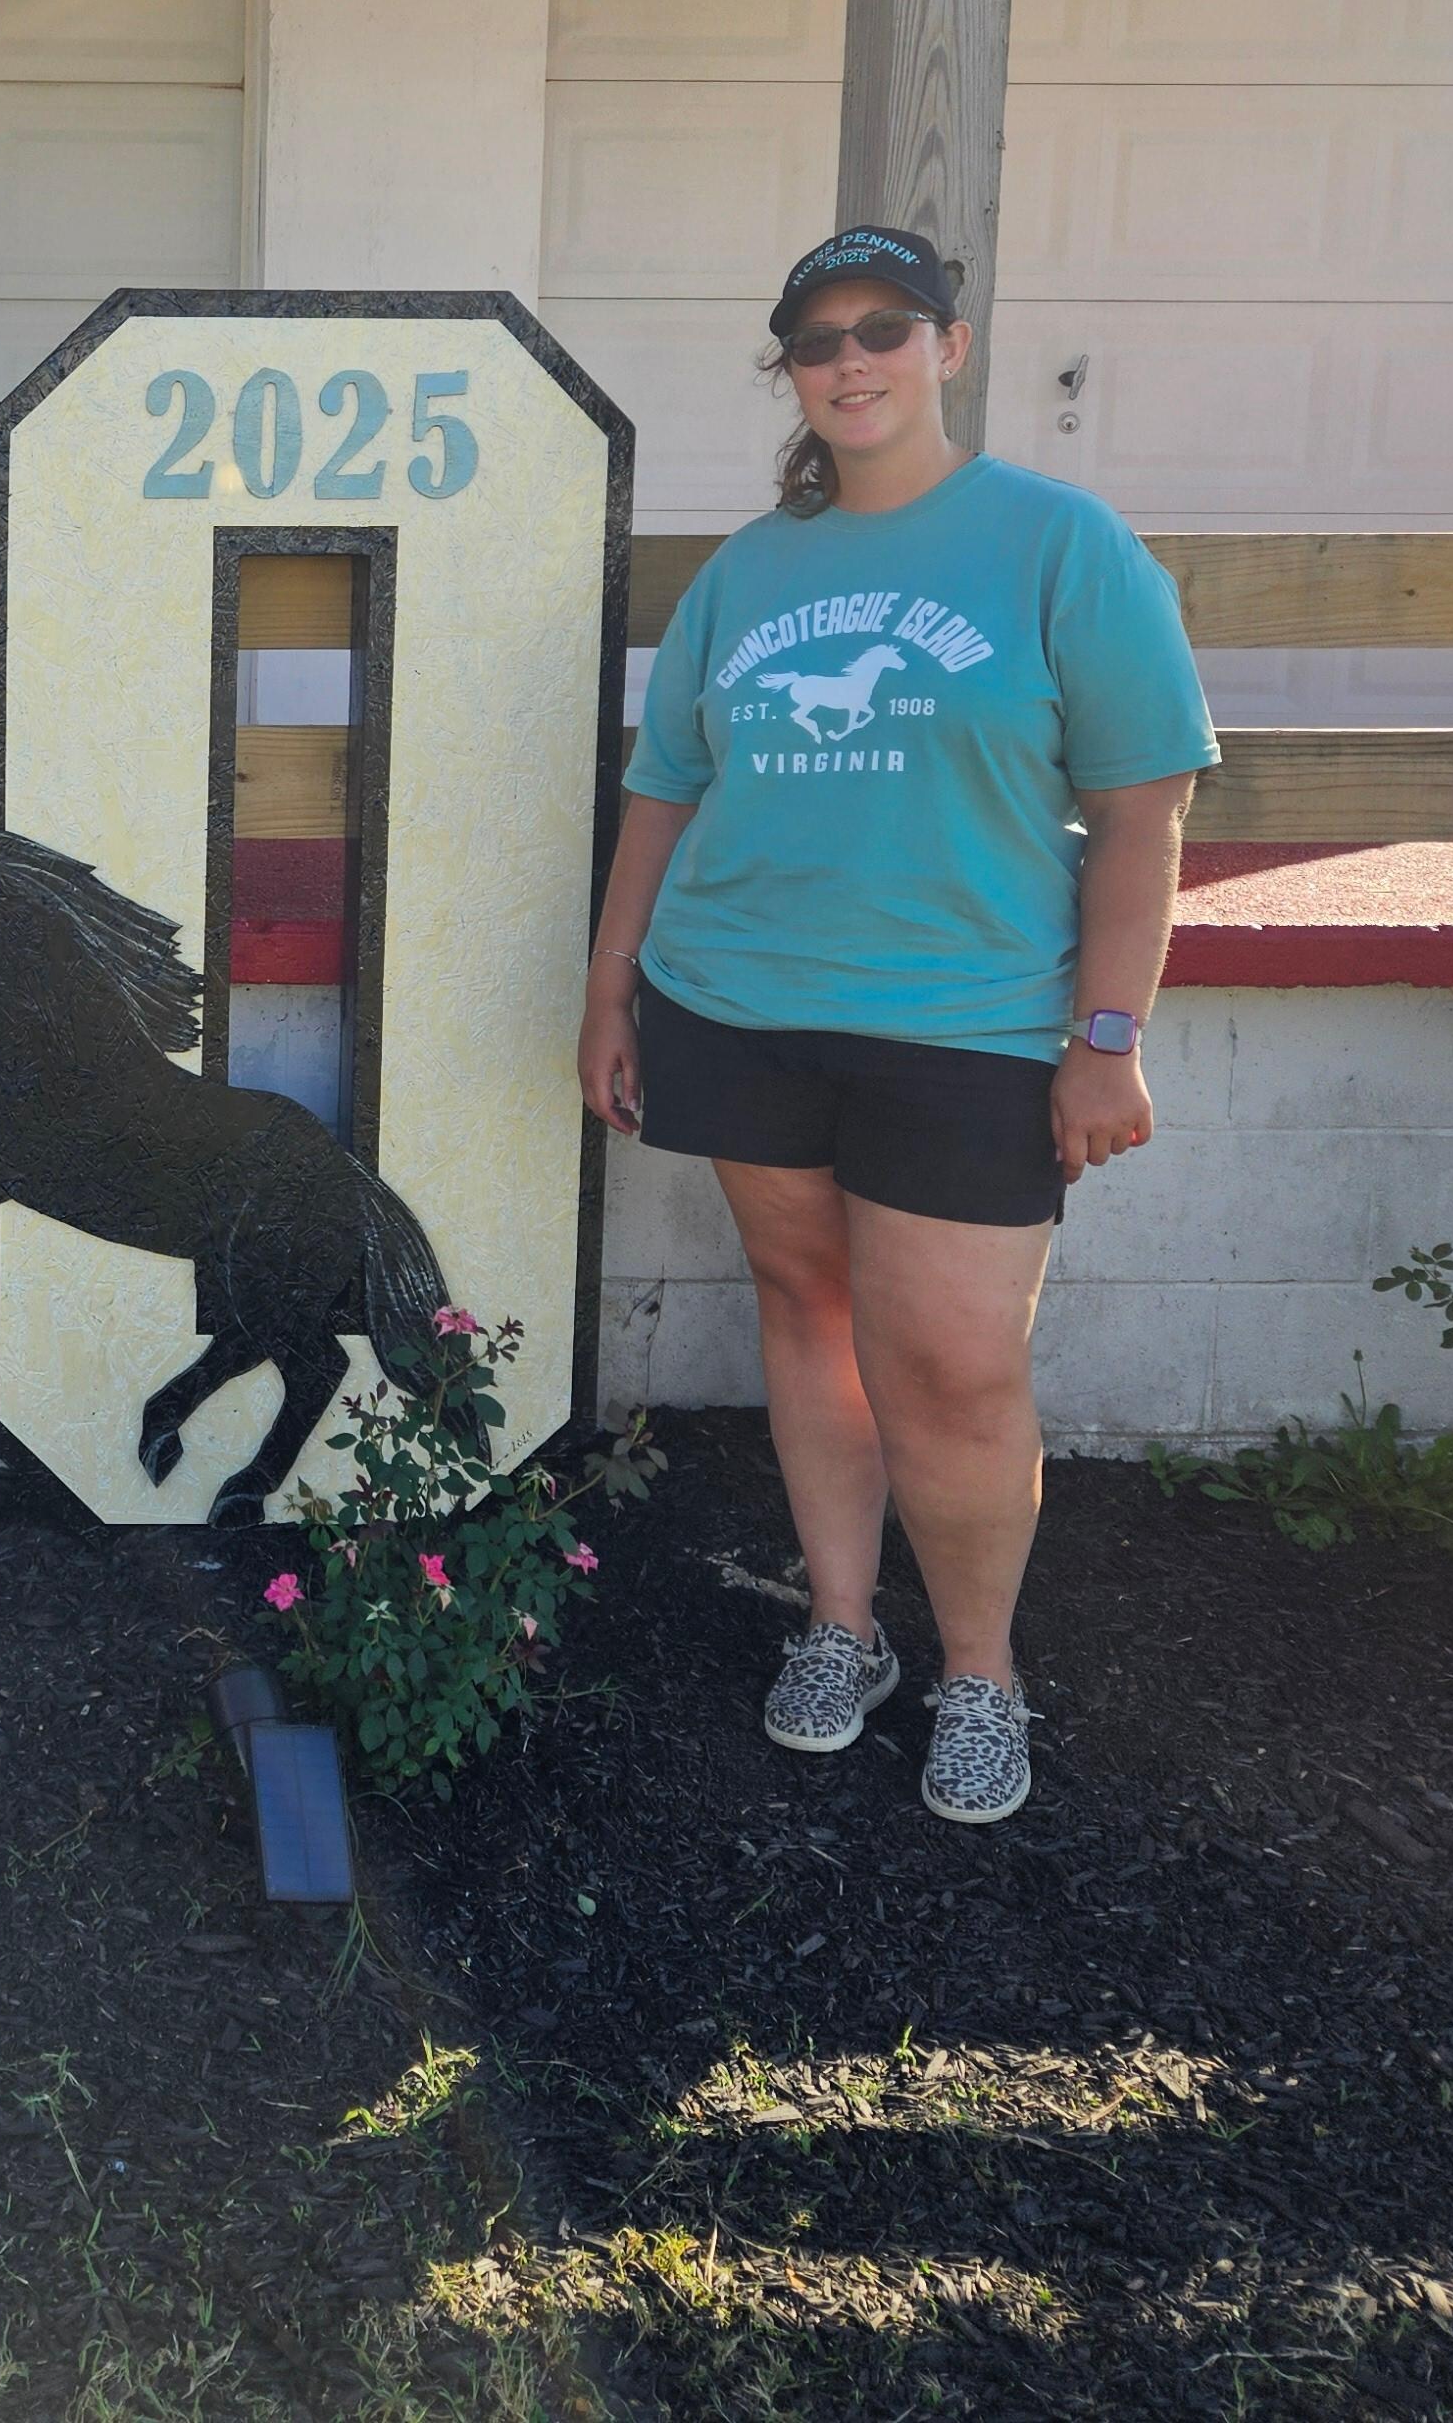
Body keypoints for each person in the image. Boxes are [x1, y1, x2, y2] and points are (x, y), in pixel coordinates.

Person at [574, 225, 1216, 1825]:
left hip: (971, 1025)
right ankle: (841, 1628)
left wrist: (1110, 1032)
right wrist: (611, 987)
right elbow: (665, 793)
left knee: (949, 1366)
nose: (849, 359)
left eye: (883, 328)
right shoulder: (750, 571)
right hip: (738, 1003)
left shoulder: (1061, 546)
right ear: (789, 369)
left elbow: (1145, 813)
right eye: (814, 338)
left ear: (951, 344)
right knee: (806, 1312)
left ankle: (981, 1675)